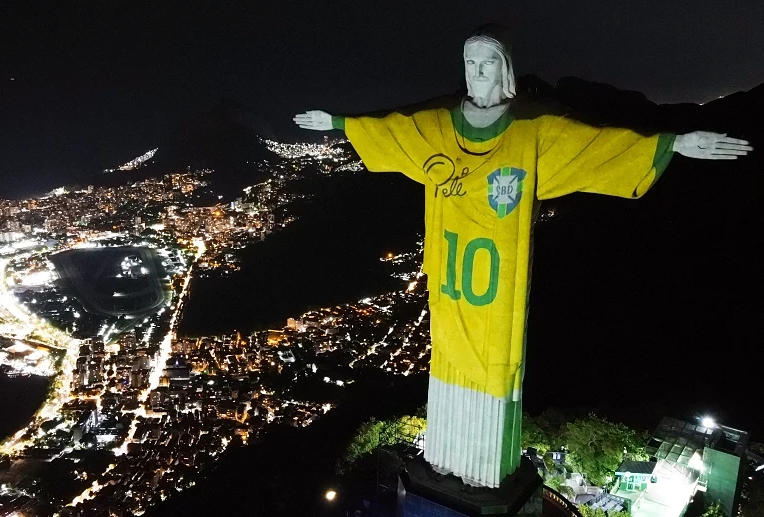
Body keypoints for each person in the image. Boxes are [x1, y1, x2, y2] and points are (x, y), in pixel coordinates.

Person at [293, 25, 752, 488]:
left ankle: (484, 472)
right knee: (445, 359)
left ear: (505, 69)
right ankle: (444, 462)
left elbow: (597, 145)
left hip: (498, 289)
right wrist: (337, 123)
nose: (478, 71)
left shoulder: (533, 130)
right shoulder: (439, 127)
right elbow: (393, 130)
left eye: (488, 62)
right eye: (470, 62)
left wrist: (674, 143)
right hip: (451, 284)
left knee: (497, 367)